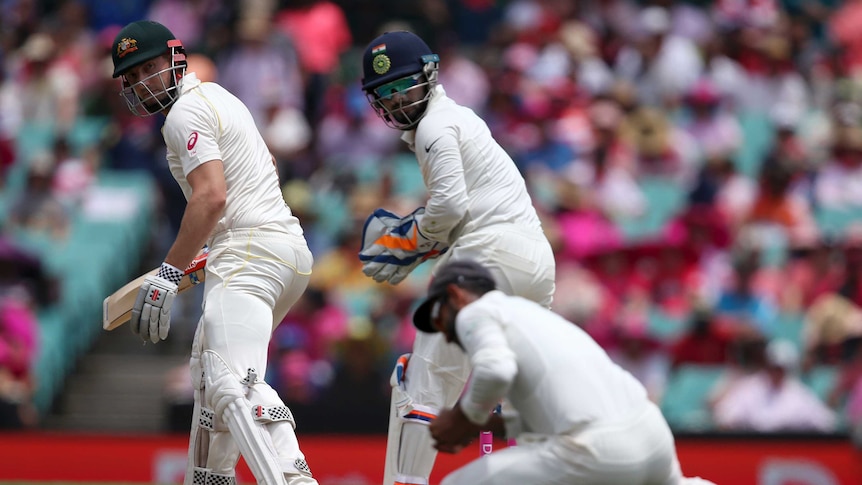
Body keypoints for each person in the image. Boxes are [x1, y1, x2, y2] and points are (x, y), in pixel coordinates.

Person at [109, 20, 317, 485]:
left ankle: (293, 478)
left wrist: (167, 273)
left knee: (230, 380)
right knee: (207, 379)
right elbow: (254, 177)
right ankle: (211, 478)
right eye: (130, 76)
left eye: (148, 68)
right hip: (278, 250)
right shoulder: (218, 98)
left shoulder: (185, 112)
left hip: (249, 251)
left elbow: (211, 198)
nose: (140, 83)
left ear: (175, 58)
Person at [357, 31, 557, 485]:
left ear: (429, 75)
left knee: (420, 383)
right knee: (518, 393)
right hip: (535, 261)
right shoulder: (461, 119)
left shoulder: (433, 126)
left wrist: (412, 242)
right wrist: (425, 240)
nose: (396, 101)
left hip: (486, 257)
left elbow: (450, 208)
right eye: (384, 94)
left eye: (403, 86)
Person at [415, 259, 716, 485]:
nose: (445, 335)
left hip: (597, 450)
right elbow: (562, 410)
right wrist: (490, 425)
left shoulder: (476, 312)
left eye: (438, 318)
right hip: (651, 434)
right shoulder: (530, 315)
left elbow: (495, 370)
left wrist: (463, 418)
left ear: (455, 295)